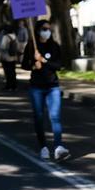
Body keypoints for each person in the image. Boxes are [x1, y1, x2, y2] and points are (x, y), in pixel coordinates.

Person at [21, 20, 69, 160]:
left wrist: (44, 60)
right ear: (37, 30)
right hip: (36, 87)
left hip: (52, 86)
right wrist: (33, 64)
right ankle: (43, 147)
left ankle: (59, 146)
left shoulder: (54, 46)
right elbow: (24, 64)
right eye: (43, 28)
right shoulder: (31, 46)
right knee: (39, 117)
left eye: (48, 29)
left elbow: (58, 65)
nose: (46, 31)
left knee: (55, 117)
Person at [0, 25, 21, 91]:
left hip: (6, 57)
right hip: (13, 57)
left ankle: (9, 85)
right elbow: (18, 46)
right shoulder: (14, 36)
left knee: (8, 72)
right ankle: (14, 85)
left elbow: (2, 47)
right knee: (13, 71)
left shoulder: (5, 37)